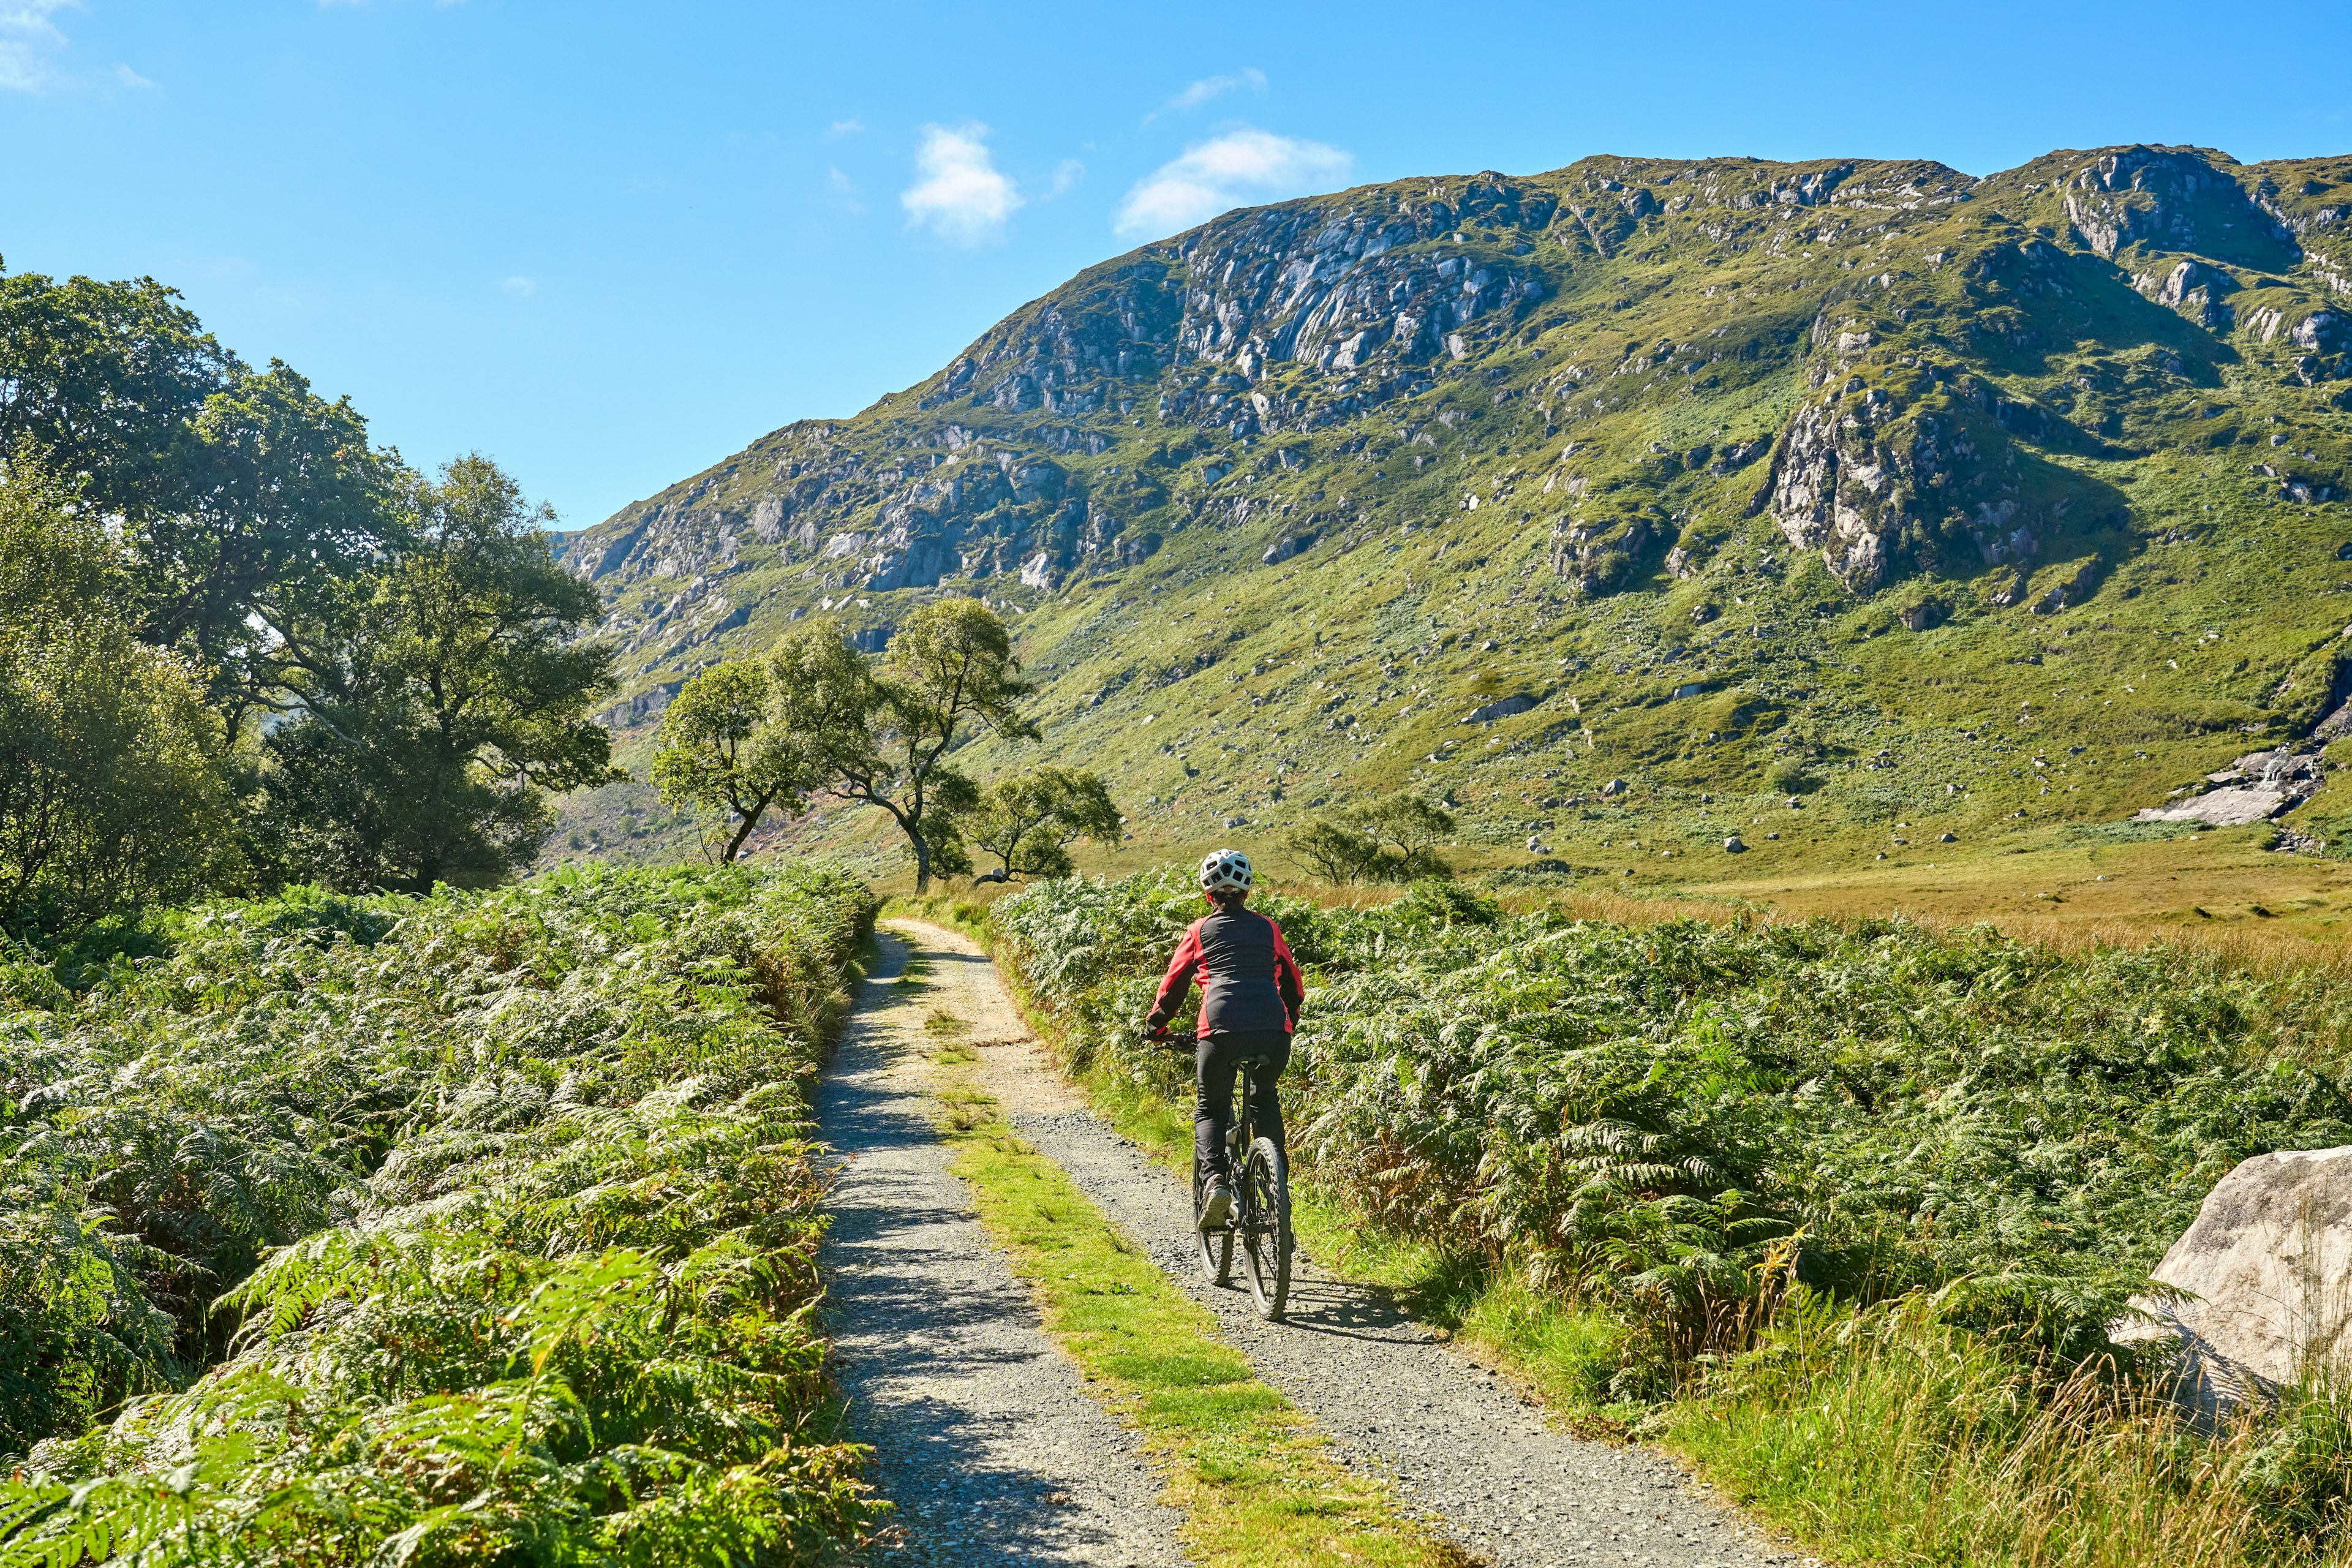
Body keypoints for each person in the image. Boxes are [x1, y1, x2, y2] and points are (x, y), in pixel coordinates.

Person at [1145, 849, 1304, 1230]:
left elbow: (1174, 984)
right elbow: (1294, 986)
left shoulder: (1199, 930)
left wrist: (1157, 1026)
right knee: (1264, 1097)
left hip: (1219, 1028)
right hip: (1272, 1028)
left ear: (1208, 895)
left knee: (1211, 1107)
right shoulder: (1268, 927)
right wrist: (1287, 1022)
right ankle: (1275, 1187)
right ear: (1247, 892)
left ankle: (1215, 1182)